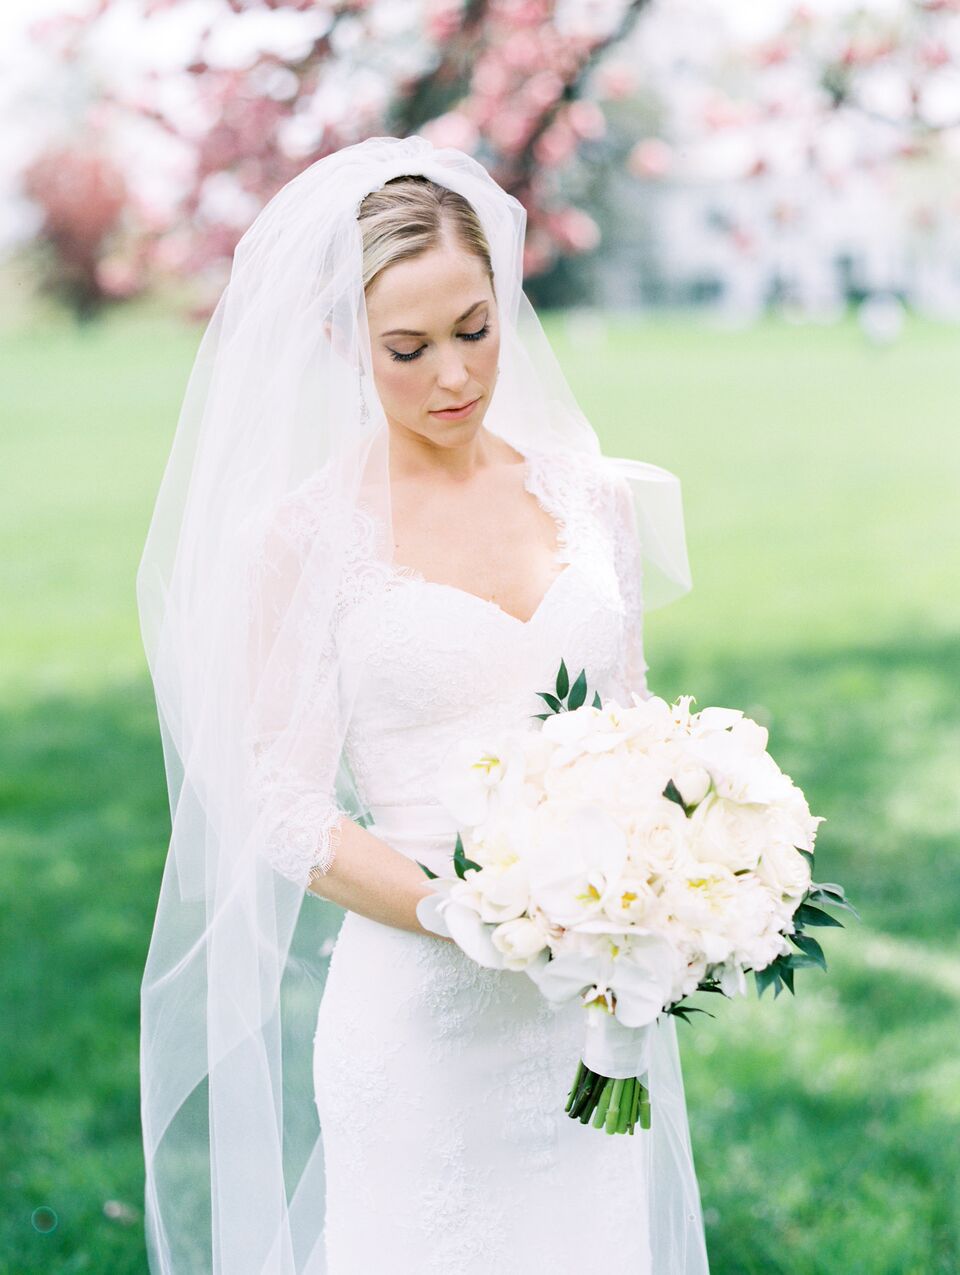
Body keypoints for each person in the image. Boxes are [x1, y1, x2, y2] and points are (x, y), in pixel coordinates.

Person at [136, 134, 708, 1273]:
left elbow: (632, 726)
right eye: (408, 348)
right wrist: (468, 915)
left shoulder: (592, 499)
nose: (453, 376)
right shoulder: (307, 539)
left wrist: (694, 864)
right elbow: (283, 808)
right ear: (346, 341)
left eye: (475, 330)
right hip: (420, 1023)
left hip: (591, 1005)